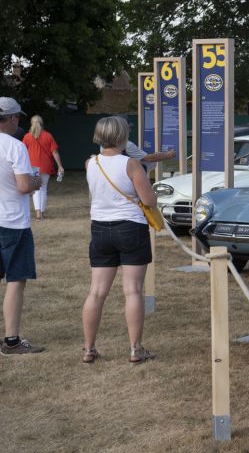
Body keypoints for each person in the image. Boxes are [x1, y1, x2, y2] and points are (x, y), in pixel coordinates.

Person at [82, 116, 157, 364]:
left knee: (96, 292)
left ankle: (89, 348)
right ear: (122, 137)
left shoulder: (90, 163)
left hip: (100, 229)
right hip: (130, 227)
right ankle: (135, 349)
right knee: (132, 290)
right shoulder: (131, 164)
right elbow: (148, 200)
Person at [0, 97, 44, 355]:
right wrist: (37, 181)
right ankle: (12, 341)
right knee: (16, 279)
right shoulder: (15, 147)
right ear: (14, 118)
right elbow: (24, 186)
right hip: (12, 223)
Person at [22, 115, 64, 221]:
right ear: (42, 123)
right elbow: (54, 152)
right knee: (43, 189)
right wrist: (59, 166)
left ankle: (38, 215)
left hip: (32, 167)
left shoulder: (27, 136)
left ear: (32, 123)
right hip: (46, 166)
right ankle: (42, 213)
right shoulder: (48, 136)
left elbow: (22, 152)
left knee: (36, 190)